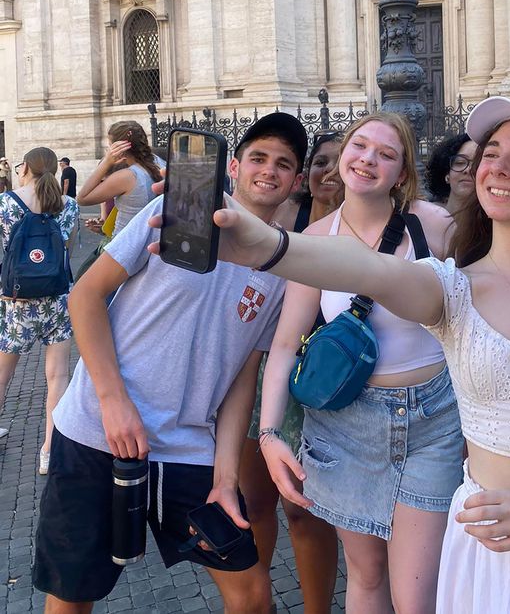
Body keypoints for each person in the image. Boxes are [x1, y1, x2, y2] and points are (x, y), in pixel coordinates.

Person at [207, 97, 510, 614]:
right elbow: (366, 269)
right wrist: (266, 245)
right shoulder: (450, 289)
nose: (498, 166)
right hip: (488, 561)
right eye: (491, 153)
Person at [32, 113, 308, 614]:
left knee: (251, 591)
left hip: (187, 446)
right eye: (259, 158)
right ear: (236, 167)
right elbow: (86, 297)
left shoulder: (280, 266)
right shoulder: (176, 208)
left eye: (284, 164)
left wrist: (225, 478)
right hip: (98, 431)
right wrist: (113, 401)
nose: (269, 171)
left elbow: (241, 380)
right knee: (73, 595)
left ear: (297, 180)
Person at [259, 113, 460, 614]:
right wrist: (269, 435)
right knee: (367, 575)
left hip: (431, 421)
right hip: (345, 427)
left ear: (402, 172)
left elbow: (488, 300)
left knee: (416, 594)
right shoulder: (315, 239)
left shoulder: (431, 225)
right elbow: (286, 344)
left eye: (386, 154)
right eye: (360, 146)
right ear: (342, 156)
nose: (368, 158)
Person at [241, 131, 343, 614]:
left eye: (342, 162)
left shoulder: (374, 230)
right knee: (253, 505)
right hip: (261, 379)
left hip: (325, 389)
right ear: (306, 177)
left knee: (305, 514)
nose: (332, 171)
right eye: (322, 162)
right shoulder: (284, 219)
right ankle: (253, 599)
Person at [0, 148, 78, 467]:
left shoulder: (5, 203)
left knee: (3, 377)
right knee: (58, 377)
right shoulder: (69, 206)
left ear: (26, 168)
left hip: (16, 302)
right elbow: (66, 252)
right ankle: (49, 449)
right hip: (57, 299)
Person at [77, 120, 162, 236]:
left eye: (110, 146)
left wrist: (106, 161)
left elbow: (82, 198)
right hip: (149, 237)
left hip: (126, 241)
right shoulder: (158, 163)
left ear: (118, 148)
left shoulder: (127, 176)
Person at [425, 133, 478, 215]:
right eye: (460, 163)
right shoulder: (424, 216)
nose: (468, 170)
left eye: (477, 164)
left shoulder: (495, 224)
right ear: (447, 174)